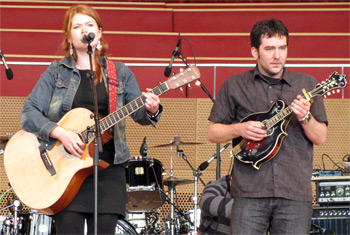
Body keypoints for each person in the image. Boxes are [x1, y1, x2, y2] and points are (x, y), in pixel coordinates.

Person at [21, 5, 162, 234]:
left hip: (109, 170)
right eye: (77, 26)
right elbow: (29, 113)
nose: (83, 30)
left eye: (89, 25)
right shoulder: (56, 72)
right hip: (66, 171)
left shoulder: (121, 73)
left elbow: (139, 115)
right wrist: (61, 133)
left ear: (99, 32)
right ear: (69, 36)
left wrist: (152, 109)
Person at [207, 18, 328, 234]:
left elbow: (320, 138)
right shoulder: (234, 85)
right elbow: (212, 132)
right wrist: (239, 129)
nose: (277, 56)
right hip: (249, 193)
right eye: (269, 48)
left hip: (294, 193)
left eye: (282, 48)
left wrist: (305, 117)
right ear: (254, 52)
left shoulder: (307, 85)